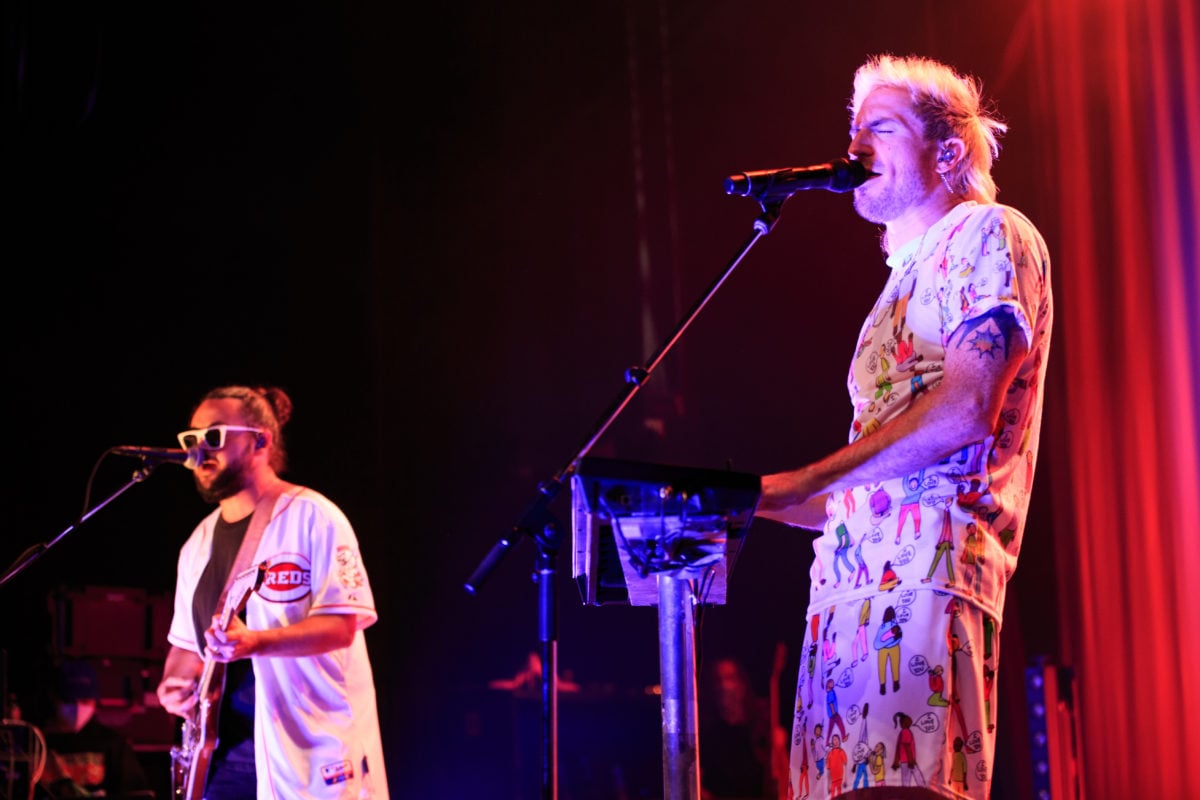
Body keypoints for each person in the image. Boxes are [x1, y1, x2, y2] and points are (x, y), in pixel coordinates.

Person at [755, 53, 1053, 800]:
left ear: (948, 150)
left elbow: (964, 409)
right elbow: (865, 484)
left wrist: (802, 479)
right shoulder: (897, 287)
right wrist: (745, 503)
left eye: (879, 129)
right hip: (842, 601)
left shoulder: (989, 233)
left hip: (924, 579)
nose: (854, 148)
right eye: (852, 129)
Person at [155, 385, 389, 800]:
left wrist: (257, 642)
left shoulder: (313, 516)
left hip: (306, 752)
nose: (198, 451)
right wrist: (173, 682)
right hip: (222, 758)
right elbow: (186, 647)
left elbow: (341, 627)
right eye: (190, 440)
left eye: (214, 437)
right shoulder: (197, 543)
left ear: (259, 439)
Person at [32, 658, 152, 799]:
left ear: (95, 702)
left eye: (85, 701)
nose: (77, 709)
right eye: (69, 701)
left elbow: (135, 793)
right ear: (53, 698)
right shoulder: (35, 742)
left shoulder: (112, 744)